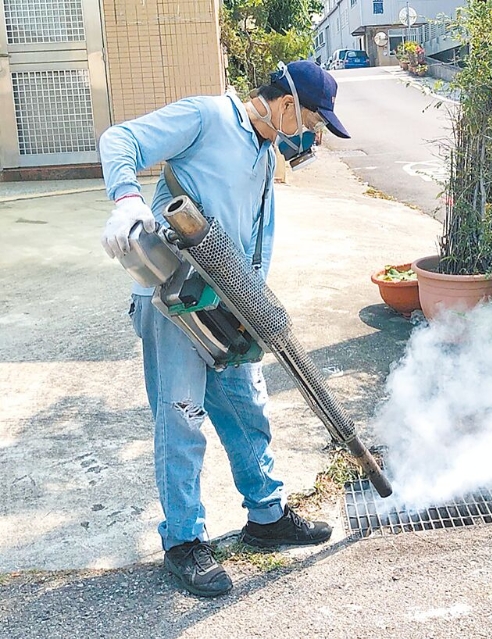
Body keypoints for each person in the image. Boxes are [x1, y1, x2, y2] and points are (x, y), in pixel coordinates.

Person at [98, 61, 350, 598]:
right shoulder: (207, 115)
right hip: (176, 298)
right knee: (182, 417)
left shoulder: (264, 149)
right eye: (312, 119)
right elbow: (119, 138)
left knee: (246, 409)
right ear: (285, 105)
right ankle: (184, 543)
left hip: (231, 303)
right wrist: (126, 200)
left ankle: (267, 516)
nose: (314, 132)